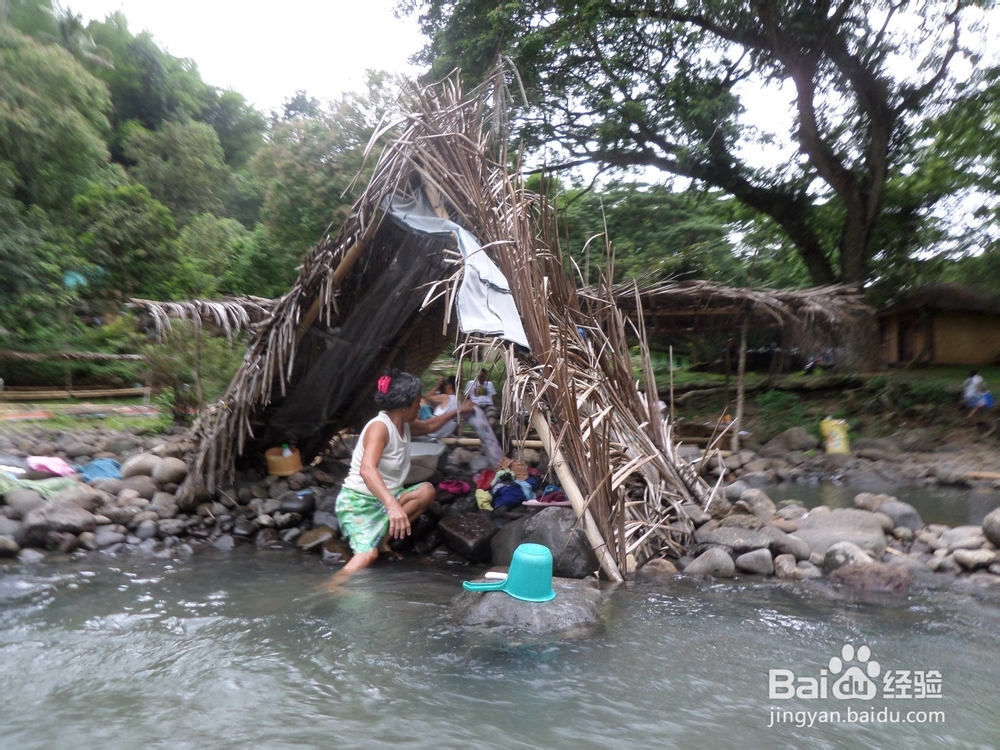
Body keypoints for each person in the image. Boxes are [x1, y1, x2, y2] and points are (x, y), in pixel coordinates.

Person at [331, 370, 458, 582]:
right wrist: (392, 505)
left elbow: (429, 426)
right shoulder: (380, 427)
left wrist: (457, 411)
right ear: (404, 405)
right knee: (367, 556)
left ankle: (381, 540)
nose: (420, 406)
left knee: (426, 491)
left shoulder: (405, 425)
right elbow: (367, 469)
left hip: (387, 498)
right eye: (418, 402)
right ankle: (330, 588)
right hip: (358, 503)